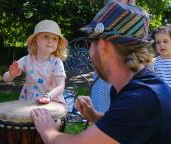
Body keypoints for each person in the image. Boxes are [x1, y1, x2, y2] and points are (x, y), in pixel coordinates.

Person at [30, 1, 171, 143]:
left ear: (103, 45)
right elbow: (125, 127)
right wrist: (93, 115)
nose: (89, 52)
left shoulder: (139, 98)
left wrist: (48, 131)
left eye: (90, 42)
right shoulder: (135, 88)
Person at [3, 20, 68, 104]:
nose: (50, 41)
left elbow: (61, 86)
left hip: (52, 101)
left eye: (55, 38)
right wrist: (11, 75)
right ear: (35, 40)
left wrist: (48, 96)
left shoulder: (56, 62)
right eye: (46, 36)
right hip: (29, 101)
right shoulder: (26, 60)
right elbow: (5, 79)